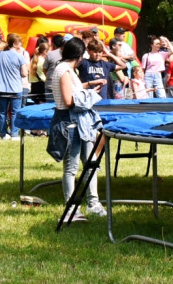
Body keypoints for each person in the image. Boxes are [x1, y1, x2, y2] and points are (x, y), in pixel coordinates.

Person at [48, 37, 106, 219]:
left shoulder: (68, 69)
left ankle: (93, 203)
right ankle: (71, 209)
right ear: (79, 56)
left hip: (81, 123)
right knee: (71, 168)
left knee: (91, 163)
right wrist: (90, 96)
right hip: (70, 123)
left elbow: (75, 89)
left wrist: (89, 86)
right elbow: (68, 101)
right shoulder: (63, 70)